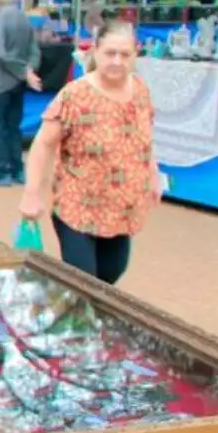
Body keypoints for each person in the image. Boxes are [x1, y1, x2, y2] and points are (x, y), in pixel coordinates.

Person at [19, 21, 162, 285]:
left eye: (125, 54)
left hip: (121, 210)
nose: (117, 61)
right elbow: (43, 144)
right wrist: (31, 193)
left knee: (111, 273)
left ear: (135, 54)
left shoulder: (140, 90)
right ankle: (76, 318)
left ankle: (83, 314)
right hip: (77, 208)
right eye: (110, 53)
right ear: (95, 51)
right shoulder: (75, 95)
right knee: (84, 282)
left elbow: (144, 139)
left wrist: (153, 174)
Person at [0, 0, 42, 187]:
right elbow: (35, 50)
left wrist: (24, 72)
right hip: (18, 85)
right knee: (13, 127)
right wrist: (29, 70)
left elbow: (0, 52)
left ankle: (1, 172)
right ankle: (17, 169)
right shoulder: (24, 19)